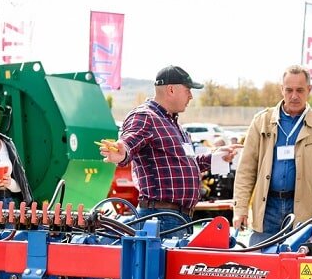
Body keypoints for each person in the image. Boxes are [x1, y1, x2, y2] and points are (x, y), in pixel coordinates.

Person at [99, 65, 238, 237]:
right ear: (171, 89)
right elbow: (129, 142)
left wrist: (216, 157)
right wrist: (123, 152)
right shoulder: (145, 116)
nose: (191, 96)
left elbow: (186, 162)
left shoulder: (175, 126)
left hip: (177, 218)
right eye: (188, 90)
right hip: (161, 219)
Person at [233, 65, 312, 245]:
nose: (294, 96)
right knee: (262, 269)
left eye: (300, 90)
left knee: (300, 271)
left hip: (304, 213)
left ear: (309, 90)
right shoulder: (261, 121)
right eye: (289, 90)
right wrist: (240, 209)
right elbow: (246, 170)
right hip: (267, 210)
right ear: (282, 89)